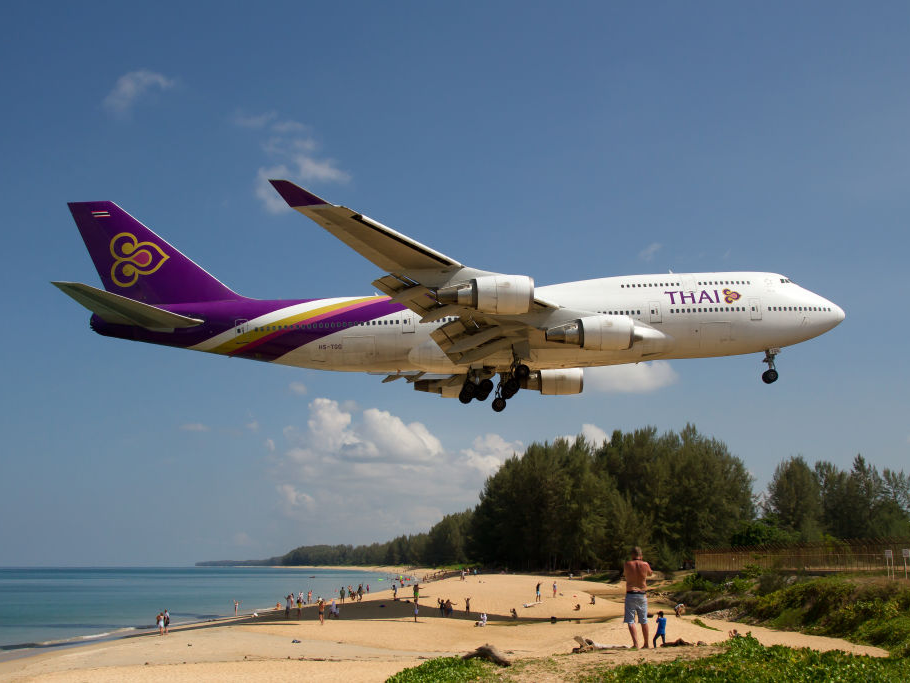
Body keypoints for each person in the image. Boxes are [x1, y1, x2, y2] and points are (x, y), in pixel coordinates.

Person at [623, 546, 653, 648]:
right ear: (641, 555)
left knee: (631, 620)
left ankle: (636, 644)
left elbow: (625, 574)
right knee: (644, 620)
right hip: (642, 594)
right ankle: (646, 644)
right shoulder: (645, 564)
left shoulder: (627, 564)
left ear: (632, 555)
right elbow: (650, 573)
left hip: (631, 593)